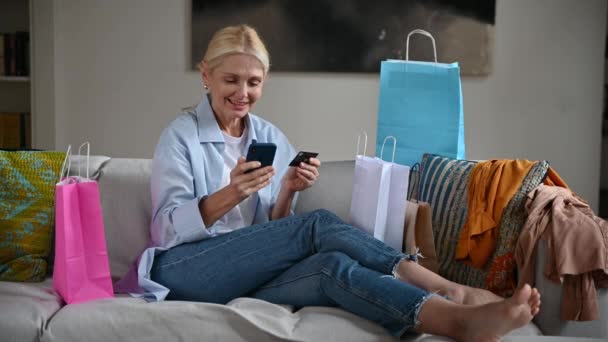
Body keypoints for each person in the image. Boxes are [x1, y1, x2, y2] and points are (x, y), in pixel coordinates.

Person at [122, 25, 541, 340]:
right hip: (183, 269)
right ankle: (449, 288)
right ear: (206, 76)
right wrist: (231, 193)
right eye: (231, 80)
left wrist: (287, 189)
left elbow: (272, 232)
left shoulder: (267, 136)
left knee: (331, 268)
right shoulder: (181, 135)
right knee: (317, 225)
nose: (243, 93)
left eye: (254, 82)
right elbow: (167, 229)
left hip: (244, 271)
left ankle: (453, 319)